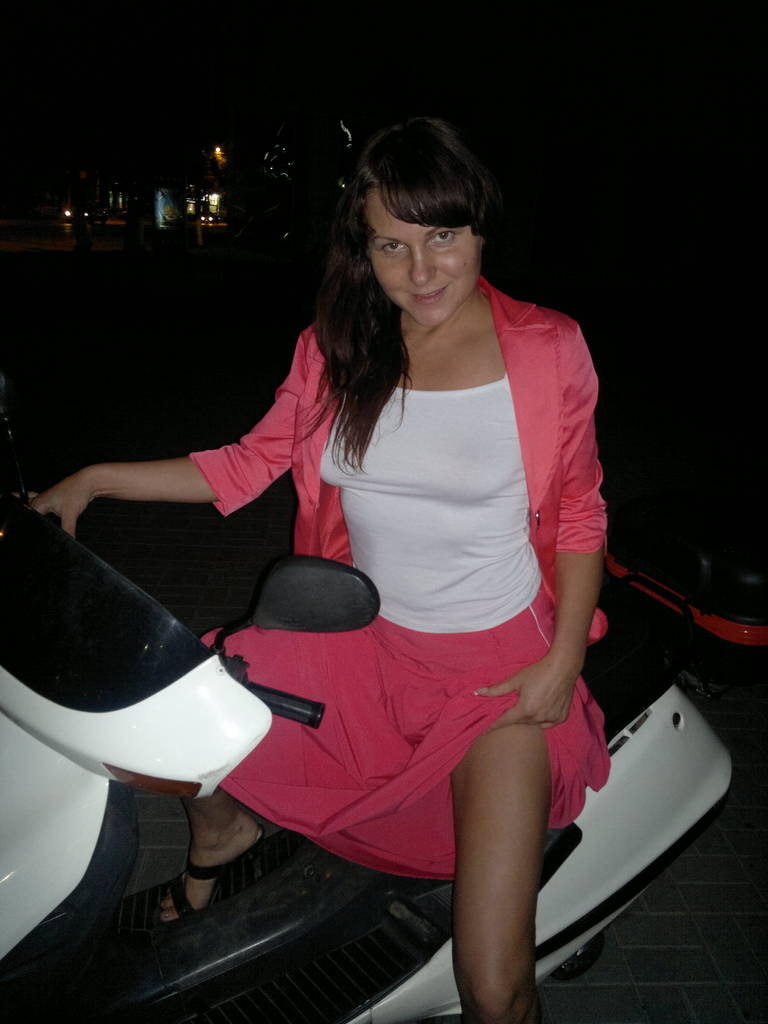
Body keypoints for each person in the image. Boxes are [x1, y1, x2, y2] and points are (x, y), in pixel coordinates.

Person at [33, 118, 610, 1024]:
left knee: (495, 988)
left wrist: (563, 660)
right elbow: (245, 463)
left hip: (499, 680)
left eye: (442, 237)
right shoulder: (340, 350)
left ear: (479, 229)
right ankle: (226, 836)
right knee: (186, 713)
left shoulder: (546, 349)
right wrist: (94, 479)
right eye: (391, 245)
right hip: (371, 651)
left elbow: (579, 514)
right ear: (362, 249)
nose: (421, 272)